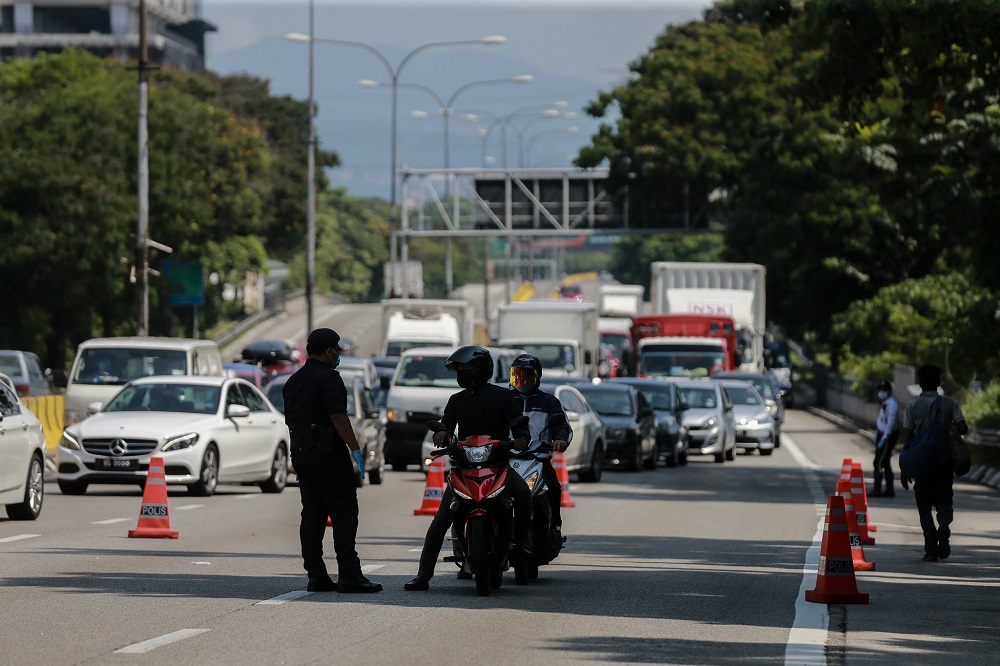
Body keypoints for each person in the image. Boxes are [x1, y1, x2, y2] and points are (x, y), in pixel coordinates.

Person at [404, 345, 532, 591]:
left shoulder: (504, 397)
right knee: (441, 519)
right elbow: (446, 425)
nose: (461, 373)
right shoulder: (456, 400)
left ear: (481, 369)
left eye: (466, 367)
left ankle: (521, 543)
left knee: (523, 493)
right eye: (459, 369)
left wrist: (521, 438)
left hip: (497, 466)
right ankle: (423, 575)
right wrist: (442, 433)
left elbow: (520, 427)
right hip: (465, 468)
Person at [282, 328, 382, 593]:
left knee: (312, 514)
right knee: (344, 513)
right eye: (336, 349)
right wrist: (355, 448)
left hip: (302, 454)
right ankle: (350, 574)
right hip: (328, 454)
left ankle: (316, 575)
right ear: (328, 351)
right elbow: (338, 417)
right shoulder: (330, 379)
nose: (338, 354)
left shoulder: (293, 381)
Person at [899, 364, 968, 562]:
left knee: (923, 507)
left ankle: (931, 550)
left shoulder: (913, 406)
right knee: (944, 499)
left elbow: (908, 439)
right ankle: (944, 525)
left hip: (921, 464)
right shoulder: (950, 403)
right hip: (944, 463)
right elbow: (963, 429)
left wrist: (905, 470)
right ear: (939, 383)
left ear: (920, 383)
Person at [508, 353, 573, 538]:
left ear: (536, 377)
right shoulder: (504, 399)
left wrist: (560, 440)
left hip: (537, 459)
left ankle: (555, 526)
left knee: (553, 486)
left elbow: (563, 427)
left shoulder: (549, 401)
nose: (522, 379)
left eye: (527, 375)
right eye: (517, 375)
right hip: (506, 459)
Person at [872, 379, 900, 497]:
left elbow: (891, 423)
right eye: (880, 390)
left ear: (889, 391)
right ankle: (886, 489)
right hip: (882, 434)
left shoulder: (892, 405)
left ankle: (882, 489)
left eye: (883, 390)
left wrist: (884, 438)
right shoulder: (885, 403)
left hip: (887, 436)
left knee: (880, 461)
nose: (881, 392)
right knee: (883, 461)